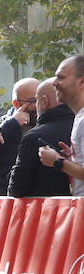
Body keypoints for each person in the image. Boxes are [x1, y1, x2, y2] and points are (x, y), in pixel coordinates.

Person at [0, 77, 41, 195]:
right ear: (16, 103)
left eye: (40, 99)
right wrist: (12, 124)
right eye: (32, 101)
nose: (38, 105)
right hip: (6, 203)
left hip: (41, 203)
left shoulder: (45, 124)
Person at [10, 77, 75, 197]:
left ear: (45, 101)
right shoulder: (79, 125)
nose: (35, 107)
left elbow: (17, 189)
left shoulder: (34, 137)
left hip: (49, 212)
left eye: (36, 101)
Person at [38, 55, 84, 196]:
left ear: (82, 82)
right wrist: (72, 159)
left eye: (61, 77)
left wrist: (57, 161)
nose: (54, 83)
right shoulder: (79, 117)